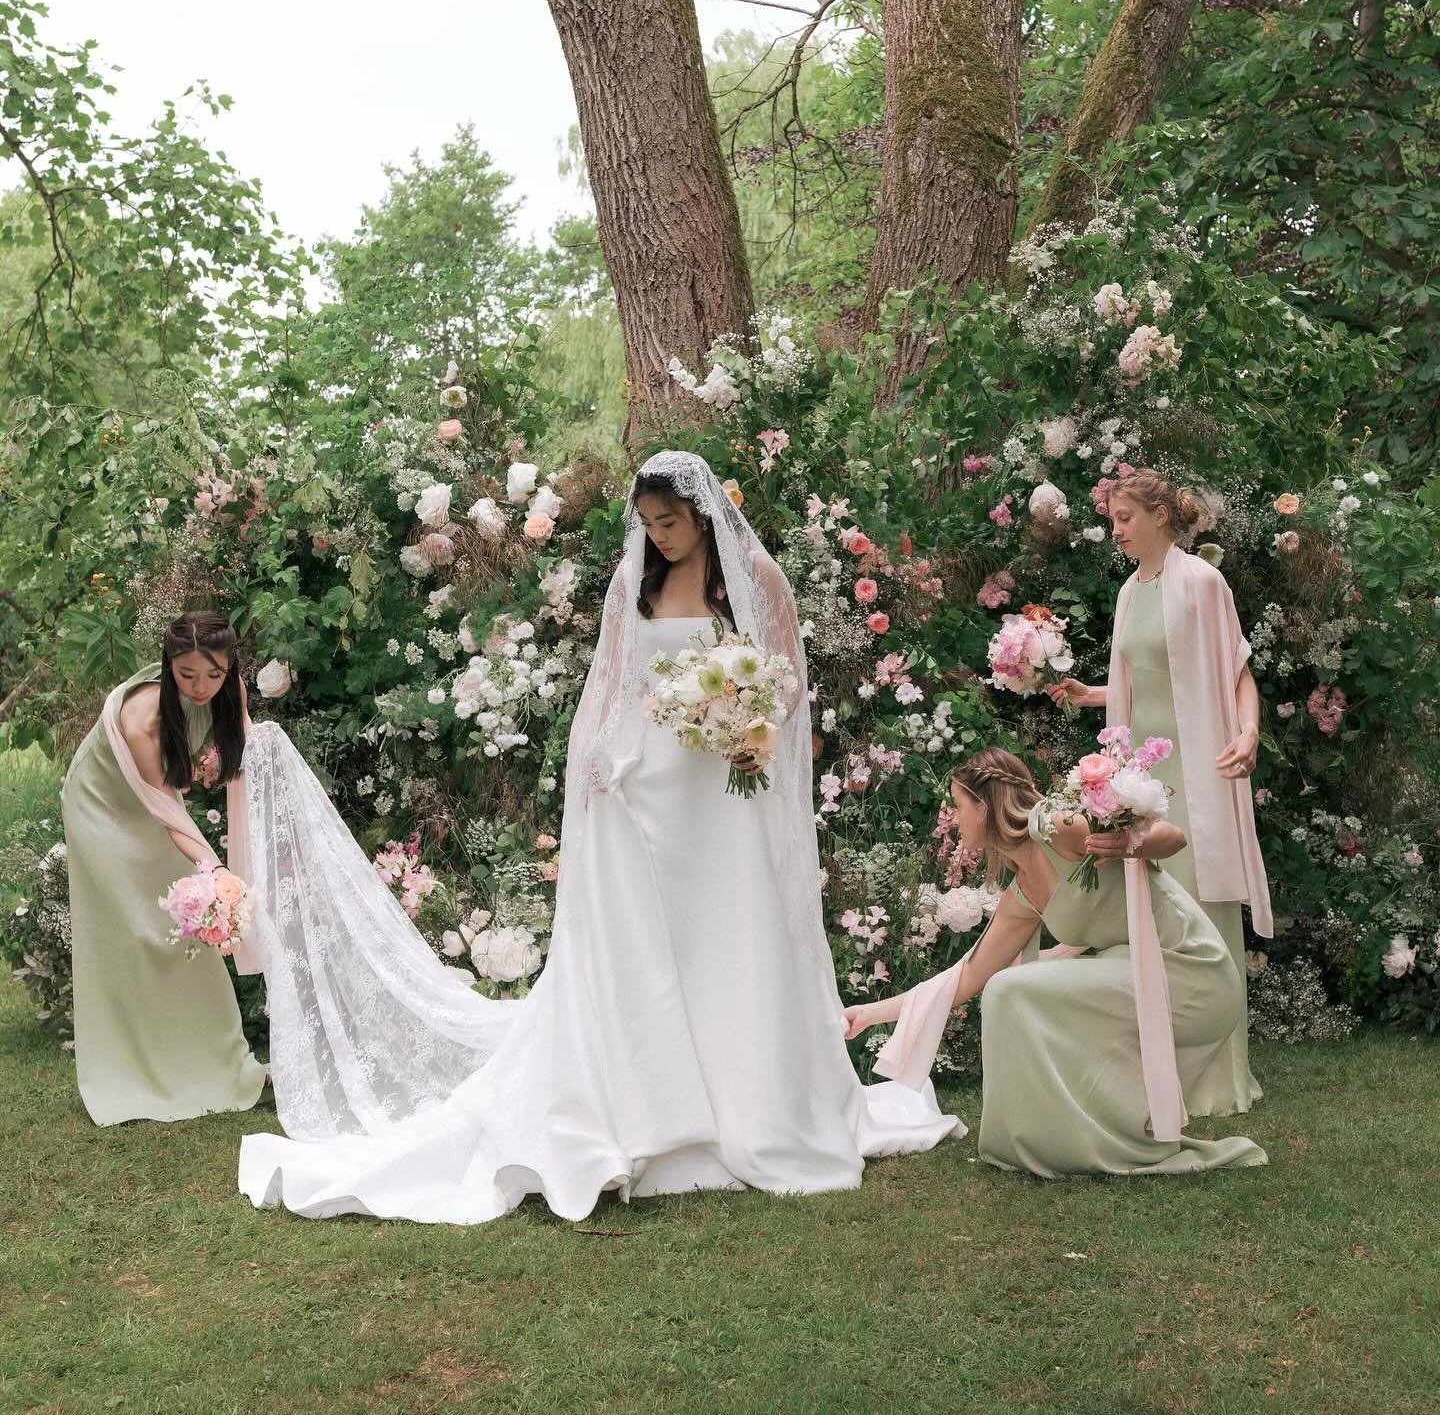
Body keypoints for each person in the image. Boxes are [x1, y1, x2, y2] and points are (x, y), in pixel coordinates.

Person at [237, 451, 957, 1223]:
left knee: (730, 938)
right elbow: (612, 688)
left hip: (722, 793)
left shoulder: (756, 579)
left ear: (704, 513)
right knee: (649, 948)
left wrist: (749, 724)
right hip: (648, 792)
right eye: (647, 524)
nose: (659, 537)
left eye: (670, 522)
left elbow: (786, 681)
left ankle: (748, 1104)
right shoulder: (631, 582)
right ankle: (654, 1106)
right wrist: (600, 769)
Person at [843, 751, 1267, 1177]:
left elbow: (1173, 837)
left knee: (1012, 989)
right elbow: (968, 975)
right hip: (1135, 976)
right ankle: (1054, 1139)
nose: (953, 817)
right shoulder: (1023, 892)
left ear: (983, 806)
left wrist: (1125, 844)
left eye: (957, 805)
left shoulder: (1057, 827)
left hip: (1191, 972)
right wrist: (869, 1013)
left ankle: (1076, 1136)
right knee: (1010, 986)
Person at [1046, 469, 1270, 1114]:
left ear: (1162, 517)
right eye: (1113, 519)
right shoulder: (1127, 593)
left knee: (1201, 904)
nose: (1115, 530)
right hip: (1144, 779)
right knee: (1150, 908)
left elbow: (1237, 672)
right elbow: (1137, 680)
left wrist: (1249, 731)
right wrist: (1090, 694)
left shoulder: (1202, 580)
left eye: (1125, 518)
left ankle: (1216, 1078)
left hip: (1198, 768)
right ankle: (1155, 1067)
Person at [60, 611, 268, 1125]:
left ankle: (210, 1060)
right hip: (103, 809)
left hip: (158, 808)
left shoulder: (229, 690)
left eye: (214, 675)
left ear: (229, 667)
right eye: (187, 675)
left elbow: (242, 766)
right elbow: (165, 808)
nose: (202, 688)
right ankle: (134, 1066)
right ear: (168, 665)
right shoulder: (144, 717)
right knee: (136, 932)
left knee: (186, 932)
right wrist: (214, 869)